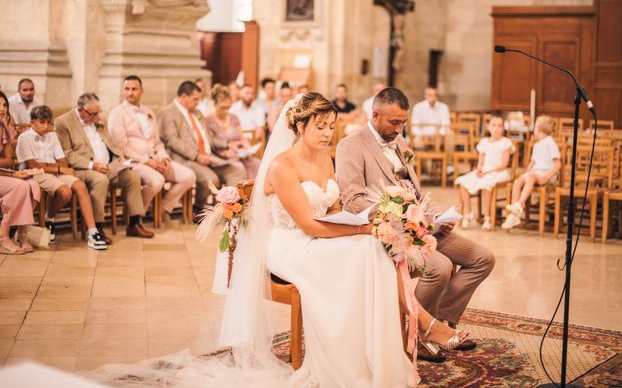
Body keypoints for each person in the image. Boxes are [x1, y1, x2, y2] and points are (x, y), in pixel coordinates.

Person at [91, 93, 467, 387]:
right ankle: (417, 325)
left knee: (376, 249)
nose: (326, 134)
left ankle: (380, 350)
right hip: (288, 243)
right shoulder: (282, 165)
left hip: (321, 234)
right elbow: (309, 226)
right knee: (368, 249)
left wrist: (371, 223)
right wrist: (363, 230)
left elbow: (333, 209)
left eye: (331, 126)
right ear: (299, 125)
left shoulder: (326, 159)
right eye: (319, 126)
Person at [336, 87, 493, 362]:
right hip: (388, 231)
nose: (399, 129)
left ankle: (442, 324)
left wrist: (435, 219)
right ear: (375, 115)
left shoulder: (400, 143)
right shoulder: (352, 144)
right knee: (441, 267)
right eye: (394, 122)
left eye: (403, 123)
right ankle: (419, 335)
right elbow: (352, 200)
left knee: (483, 258)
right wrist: (398, 214)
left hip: (421, 226)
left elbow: (414, 192)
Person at [55, 93, 152, 240]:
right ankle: (96, 228)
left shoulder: (98, 119)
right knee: (101, 180)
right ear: (81, 110)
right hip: (83, 169)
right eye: (92, 114)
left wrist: (119, 157)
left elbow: (109, 143)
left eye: (97, 112)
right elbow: (67, 153)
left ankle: (134, 223)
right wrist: (93, 165)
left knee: (132, 177)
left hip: (107, 165)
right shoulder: (63, 122)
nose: (96, 117)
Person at [16, 106, 108, 250]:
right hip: (34, 174)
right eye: (42, 122)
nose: (46, 126)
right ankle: (49, 218)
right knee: (65, 192)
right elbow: (33, 164)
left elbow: (63, 161)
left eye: (49, 122)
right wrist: (57, 168)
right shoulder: (24, 138)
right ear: (32, 122)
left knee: (80, 186)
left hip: (55, 172)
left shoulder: (52, 136)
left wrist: (51, 166)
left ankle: (92, 232)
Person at [109, 76, 196, 224]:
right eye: (127, 89)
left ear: (141, 91)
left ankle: (163, 208)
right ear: (123, 91)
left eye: (134, 89)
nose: (130, 93)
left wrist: (164, 158)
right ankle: (136, 215)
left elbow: (157, 141)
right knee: (157, 180)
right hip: (132, 162)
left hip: (155, 159)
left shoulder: (149, 112)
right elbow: (120, 147)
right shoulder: (117, 113)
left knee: (188, 176)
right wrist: (147, 161)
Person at [157, 81, 245, 219]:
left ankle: (230, 212)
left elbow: (208, 138)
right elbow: (172, 141)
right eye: (195, 99)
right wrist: (196, 156)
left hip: (208, 155)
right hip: (186, 158)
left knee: (236, 171)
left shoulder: (196, 112)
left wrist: (228, 144)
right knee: (211, 179)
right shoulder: (167, 113)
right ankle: (198, 209)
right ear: (184, 96)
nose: (198, 102)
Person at [455, 114, 515, 230]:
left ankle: (488, 217)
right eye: (494, 125)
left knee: (485, 184)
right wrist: (479, 170)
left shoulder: (505, 142)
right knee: (462, 182)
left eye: (499, 126)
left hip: (498, 171)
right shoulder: (484, 142)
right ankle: (468, 213)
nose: (496, 128)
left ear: (503, 128)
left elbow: (504, 164)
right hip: (484, 170)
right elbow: (481, 161)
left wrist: (487, 172)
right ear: (489, 127)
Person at [502, 115, 561, 230]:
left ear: (539, 128)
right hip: (536, 172)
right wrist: (524, 174)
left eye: (535, 125)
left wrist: (547, 176)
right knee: (518, 181)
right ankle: (514, 215)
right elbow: (532, 163)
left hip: (547, 173)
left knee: (530, 178)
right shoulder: (537, 144)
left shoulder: (550, 143)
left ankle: (519, 205)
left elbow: (558, 164)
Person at [0, 90, 40, 255]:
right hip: (4, 173)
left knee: (33, 185)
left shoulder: (3, 126)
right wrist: (11, 175)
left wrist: (14, 173)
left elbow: (9, 159)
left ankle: (21, 233)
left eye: (4, 105)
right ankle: (2, 237)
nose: (2, 108)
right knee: (19, 187)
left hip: (3, 172)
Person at [204, 84, 260, 179]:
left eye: (228, 107)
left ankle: (252, 193)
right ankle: (238, 193)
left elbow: (242, 138)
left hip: (240, 155)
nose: (226, 111)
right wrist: (226, 154)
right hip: (222, 158)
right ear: (214, 104)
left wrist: (247, 148)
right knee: (239, 168)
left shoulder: (234, 118)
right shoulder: (208, 121)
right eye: (222, 107)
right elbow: (211, 144)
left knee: (258, 165)